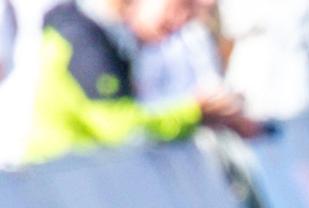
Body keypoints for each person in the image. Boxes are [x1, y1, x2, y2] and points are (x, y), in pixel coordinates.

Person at [23, 0, 263, 166]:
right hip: (55, 191)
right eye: (179, 5)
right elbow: (121, 130)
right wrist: (194, 113)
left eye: (190, 15)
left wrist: (203, 116)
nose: (179, 21)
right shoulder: (84, 35)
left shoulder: (111, 39)